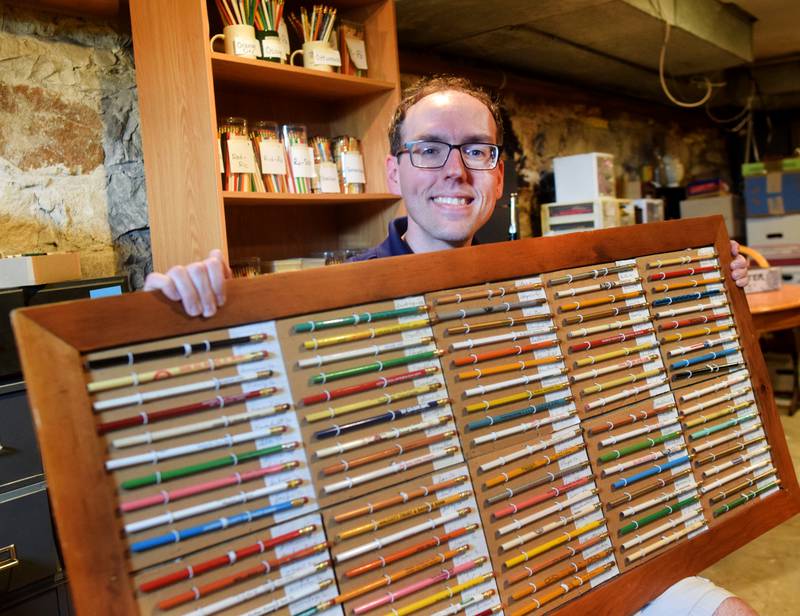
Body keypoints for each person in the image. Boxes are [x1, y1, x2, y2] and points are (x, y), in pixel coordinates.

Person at [144, 76, 756, 615]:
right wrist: (179, 325)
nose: (454, 170)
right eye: (429, 149)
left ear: (497, 173)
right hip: (415, 573)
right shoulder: (335, 302)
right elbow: (228, 449)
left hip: (558, 541)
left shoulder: (535, 288)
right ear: (394, 171)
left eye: (475, 151)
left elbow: (641, 380)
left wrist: (704, 288)